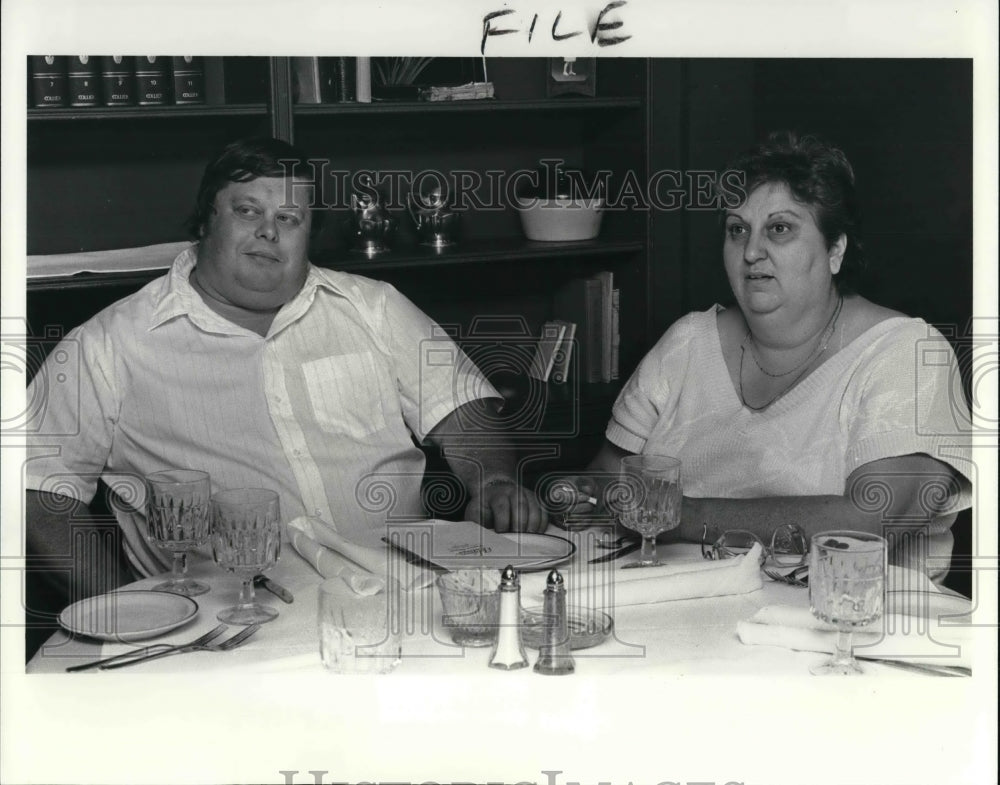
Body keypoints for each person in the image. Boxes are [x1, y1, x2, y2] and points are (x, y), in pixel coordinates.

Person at [25, 136, 547, 606]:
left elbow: (461, 408)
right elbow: (40, 494)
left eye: (290, 219)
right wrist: (122, 608)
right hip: (233, 618)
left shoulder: (374, 307)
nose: (269, 232)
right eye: (247, 211)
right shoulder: (108, 343)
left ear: (309, 233)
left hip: (403, 593)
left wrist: (495, 479)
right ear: (207, 220)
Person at [559, 131, 972, 579]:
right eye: (737, 230)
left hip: (853, 632)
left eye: (780, 229)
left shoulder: (906, 352)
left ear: (836, 249)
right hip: (688, 613)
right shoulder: (687, 343)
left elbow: (872, 523)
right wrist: (576, 492)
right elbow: (607, 475)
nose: (752, 252)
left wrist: (680, 515)